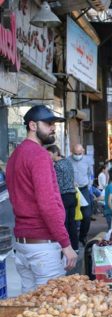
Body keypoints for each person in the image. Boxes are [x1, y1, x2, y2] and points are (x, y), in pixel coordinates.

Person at [6, 105, 77, 292]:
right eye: (48, 124)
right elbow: (47, 205)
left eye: (53, 124)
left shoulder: (15, 156)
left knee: (30, 311)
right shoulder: (39, 155)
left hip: (23, 245)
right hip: (42, 248)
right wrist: (66, 244)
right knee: (51, 310)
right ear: (33, 125)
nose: (53, 128)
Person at [47, 145, 79, 252]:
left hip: (64, 197)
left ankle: (65, 248)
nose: (48, 156)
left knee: (63, 224)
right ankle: (75, 247)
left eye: (50, 154)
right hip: (73, 196)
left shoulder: (57, 166)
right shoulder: (68, 162)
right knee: (72, 223)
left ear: (56, 153)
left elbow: (57, 185)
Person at [68, 144, 93, 246]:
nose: (77, 155)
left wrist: (89, 185)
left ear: (83, 151)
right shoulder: (67, 161)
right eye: (75, 153)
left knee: (87, 215)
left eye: (79, 153)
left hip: (84, 189)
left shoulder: (88, 160)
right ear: (71, 151)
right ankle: (72, 238)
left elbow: (90, 174)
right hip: (72, 190)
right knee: (72, 215)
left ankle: (83, 236)